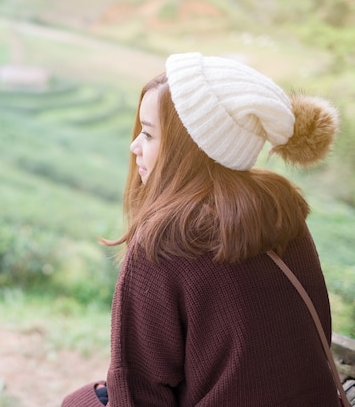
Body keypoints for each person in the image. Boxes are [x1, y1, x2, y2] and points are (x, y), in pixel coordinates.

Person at [62, 52, 341, 407]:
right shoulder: (282, 210)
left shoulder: (163, 243)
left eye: (148, 134)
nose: (135, 147)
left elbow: (139, 390)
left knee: (78, 402)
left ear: (189, 148)